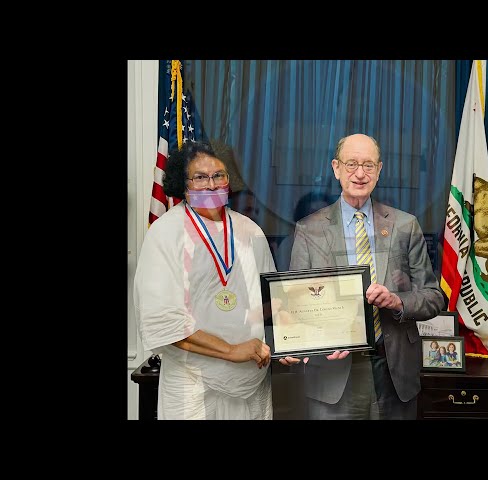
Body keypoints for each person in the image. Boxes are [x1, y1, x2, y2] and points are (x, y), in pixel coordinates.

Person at [280, 133, 445, 420]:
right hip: (333, 372)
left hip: (394, 369)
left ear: (379, 170)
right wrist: (300, 340)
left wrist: (396, 300)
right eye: (351, 163)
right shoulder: (309, 230)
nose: (360, 173)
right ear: (336, 168)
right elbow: (297, 306)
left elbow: (433, 297)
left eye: (368, 165)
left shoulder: (405, 226)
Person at [133, 140, 276, 420]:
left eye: (219, 175)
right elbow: (163, 321)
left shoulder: (251, 230)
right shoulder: (166, 233)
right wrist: (232, 350)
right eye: (200, 177)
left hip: (252, 381)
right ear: (183, 184)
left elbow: (270, 300)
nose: (211, 185)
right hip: (193, 386)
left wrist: (287, 339)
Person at [274, 191, 335, 271]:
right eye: (315, 213)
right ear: (303, 215)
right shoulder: (289, 243)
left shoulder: (335, 240)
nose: (321, 219)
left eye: (325, 214)